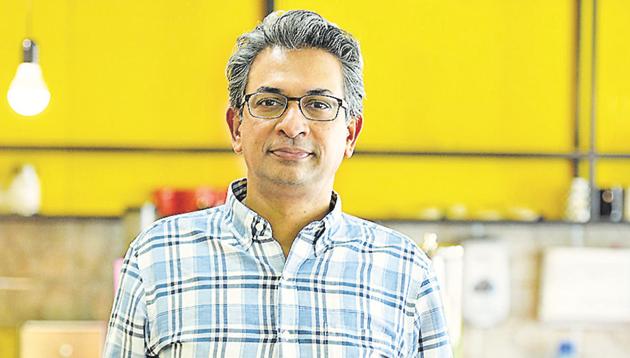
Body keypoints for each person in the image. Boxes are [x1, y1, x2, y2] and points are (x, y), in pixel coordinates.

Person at [104, 10, 452, 357]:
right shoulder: (156, 258)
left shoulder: (406, 272)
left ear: (349, 133)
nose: (293, 125)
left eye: (318, 104)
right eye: (270, 102)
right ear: (235, 126)